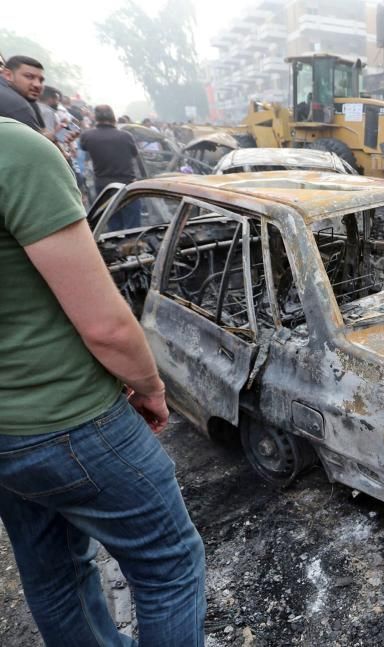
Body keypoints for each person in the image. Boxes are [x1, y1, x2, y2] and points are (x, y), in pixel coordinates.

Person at [0, 116, 206, 645]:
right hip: (68, 418)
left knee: (52, 573)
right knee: (170, 565)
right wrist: (151, 387)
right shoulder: (15, 149)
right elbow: (108, 327)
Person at [78, 105, 141, 228]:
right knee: (132, 226)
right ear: (113, 118)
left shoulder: (87, 136)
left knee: (112, 222)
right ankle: (132, 246)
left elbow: (82, 149)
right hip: (127, 185)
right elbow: (135, 155)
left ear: (96, 118)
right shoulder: (126, 136)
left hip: (103, 187)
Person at [0, 55, 45, 131]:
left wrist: (53, 136)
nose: (38, 85)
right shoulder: (18, 105)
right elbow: (33, 142)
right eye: (29, 77)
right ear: (8, 75)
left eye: (41, 80)